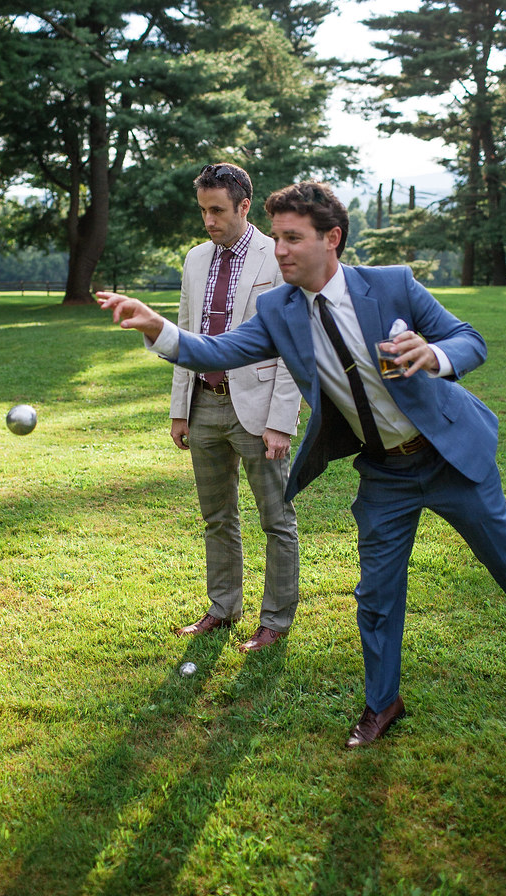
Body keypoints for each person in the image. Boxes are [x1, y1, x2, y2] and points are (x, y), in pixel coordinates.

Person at [97, 180, 506, 748]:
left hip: (448, 455)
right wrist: (157, 328)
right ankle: (382, 703)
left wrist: (435, 355)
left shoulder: (391, 285)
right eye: (276, 238)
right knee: (376, 594)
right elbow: (215, 351)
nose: (280, 250)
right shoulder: (278, 310)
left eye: (292, 238)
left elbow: (470, 338)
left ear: (332, 239)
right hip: (385, 474)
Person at [169, 163, 301, 652]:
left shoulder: (276, 257)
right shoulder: (195, 259)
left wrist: (280, 422)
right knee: (217, 518)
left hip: (260, 410)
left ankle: (275, 621)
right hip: (204, 405)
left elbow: (293, 344)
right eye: (203, 210)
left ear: (245, 206)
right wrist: (180, 409)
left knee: (276, 520)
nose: (208, 220)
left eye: (217, 210)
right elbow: (185, 334)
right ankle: (223, 609)